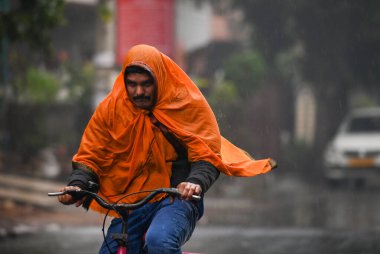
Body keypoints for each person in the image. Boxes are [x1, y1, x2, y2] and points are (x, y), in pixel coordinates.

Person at [57, 44, 276, 254]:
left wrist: (195, 182)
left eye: (146, 84)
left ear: (159, 79)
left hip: (177, 199)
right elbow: (90, 154)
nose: (138, 91)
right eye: (132, 84)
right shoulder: (111, 109)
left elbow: (206, 154)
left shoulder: (185, 104)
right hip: (133, 203)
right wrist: (77, 185)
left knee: (159, 242)